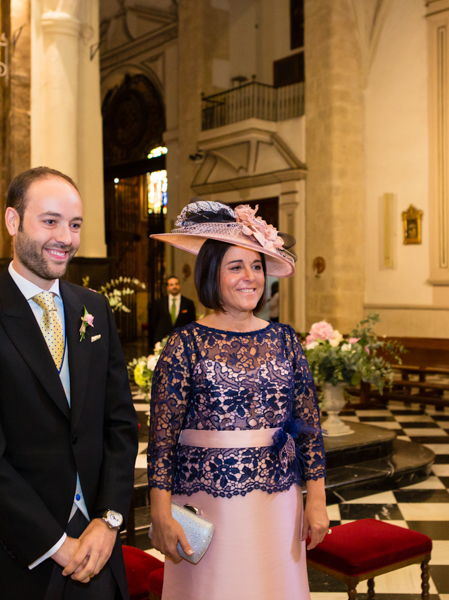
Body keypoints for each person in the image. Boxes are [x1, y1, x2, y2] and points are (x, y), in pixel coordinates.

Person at [0, 167, 139, 600]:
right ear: (14, 222)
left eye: (75, 224)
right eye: (50, 221)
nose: (65, 237)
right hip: (22, 557)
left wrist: (109, 520)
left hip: (98, 546)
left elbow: (120, 424)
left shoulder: (94, 310)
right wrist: (55, 544)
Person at [147, 201, 328, 600]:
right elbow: (161, 441)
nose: (250, 277)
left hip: (279, 504)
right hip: (208, 508)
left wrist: (316, 499)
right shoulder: (184, 345)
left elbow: (309, 429)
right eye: (235, 266)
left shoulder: (285, 341)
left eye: (257, 266)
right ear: (212, 273)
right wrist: (159, 511)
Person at [148, 275, 196, 347]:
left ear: (179, 285)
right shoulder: (159, 303)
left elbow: (192, 323)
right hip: (162, 341)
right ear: (167, 287)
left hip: (183, 341)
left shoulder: (188, 303)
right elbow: (154, 321)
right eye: (171, 285)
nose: (174, 287)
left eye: (176, 284)